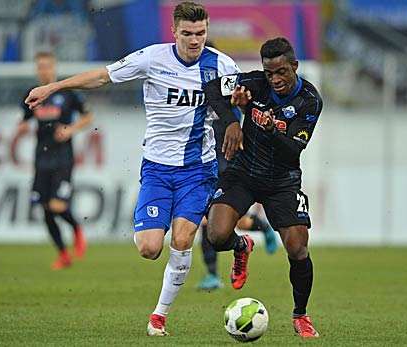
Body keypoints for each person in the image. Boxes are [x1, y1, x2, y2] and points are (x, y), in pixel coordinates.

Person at [24, 2, 241, 337]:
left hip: (198, 169)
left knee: (183, 239)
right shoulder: (152, 58)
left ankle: (159, 316)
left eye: (201, 33)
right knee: (149, 248)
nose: (195, 40)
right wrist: (53, 87)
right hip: (156, 169)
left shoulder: (222, 66)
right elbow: (101, 77)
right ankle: (240, 244)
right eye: (187, 33)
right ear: (174, 32)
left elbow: (237, 109)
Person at [204, 37, 323, 338]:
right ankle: (241, 246)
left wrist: (269, 128)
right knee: (216, 235)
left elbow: (293, 151)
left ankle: (300, 315)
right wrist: (233, 120)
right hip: (243, 172)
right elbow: (212, 90)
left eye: (281, 72)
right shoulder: (254, 83)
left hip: (282, 181)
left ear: (294, 66)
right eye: (269, 73)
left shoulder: (310, 101)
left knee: (297, 249)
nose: (275, 79)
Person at [197, 41, 278, 291]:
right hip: (199, 161)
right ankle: (255, 228)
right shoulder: (187, 88)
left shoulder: (229, 84)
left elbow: (244, 105)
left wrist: (240, 107)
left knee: (211, 222)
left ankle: (256, 229)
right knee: (207, 222)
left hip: (226, 159)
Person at [17, 51, 93, 270]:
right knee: (45, 208)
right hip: (41, 158)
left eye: (47, 66)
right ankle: (63, 254)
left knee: (57, 205)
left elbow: (88, 117)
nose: (44, 70)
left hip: (62, 158)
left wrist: (70, 129)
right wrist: (22, 127)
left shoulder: (67, 94)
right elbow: (25, 119)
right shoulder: (31, 94)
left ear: (54, 68)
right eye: (40, 66)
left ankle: (77, 229)